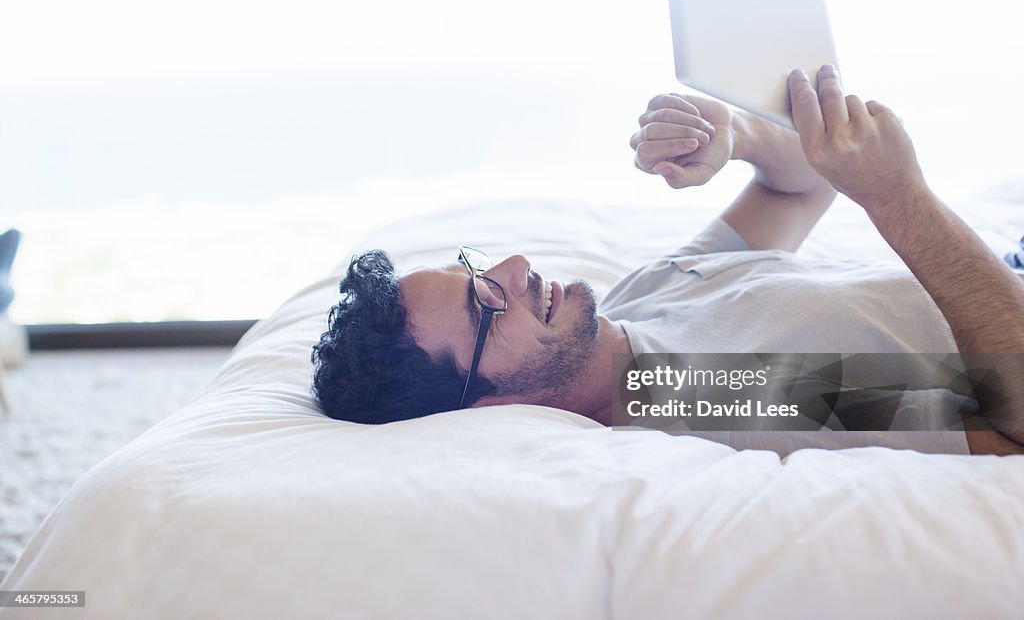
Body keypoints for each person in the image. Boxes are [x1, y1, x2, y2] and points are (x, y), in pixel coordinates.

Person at [311, 66, 1024, 456]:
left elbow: (798, 187)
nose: (519, 268)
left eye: (480, 272)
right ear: (486, 406)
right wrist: (902, 201)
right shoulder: (714, 394)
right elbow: (1012, 419)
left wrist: (734, 136)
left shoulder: (637, 303)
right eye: (486, 306)